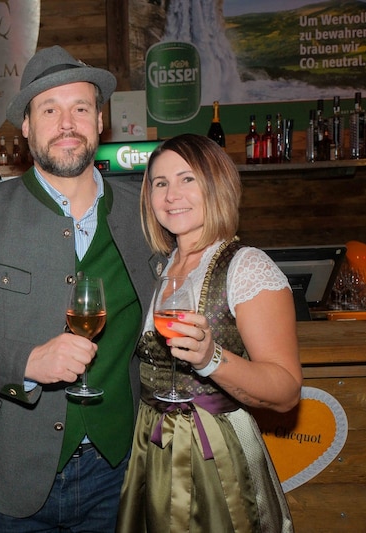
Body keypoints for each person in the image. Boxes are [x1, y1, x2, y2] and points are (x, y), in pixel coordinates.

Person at [0, 45, 159, 531]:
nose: (67, 122)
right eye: (49, 109)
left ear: (100, 120)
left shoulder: (143, 213)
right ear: (27, 126)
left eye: (80, 108)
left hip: (117, 472)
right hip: (12, 474)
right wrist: (26, 363)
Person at [116, 133, 301, 532]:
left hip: (214, 455)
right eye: (160, 183)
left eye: (187, 179)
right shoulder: (158, 267)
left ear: (216, 185)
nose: (171, 195)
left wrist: (211, 358)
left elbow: (286, 391)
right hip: (151, 448)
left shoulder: (246, 266)